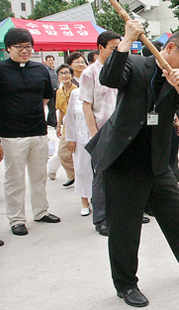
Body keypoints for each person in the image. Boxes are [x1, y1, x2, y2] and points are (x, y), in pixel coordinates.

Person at [85, 21, 179, 307]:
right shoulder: (137, 64)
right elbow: (110, 78)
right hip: (125, 161)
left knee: (177, 216)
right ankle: (125, 284)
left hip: (158, 160)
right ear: (171, 47)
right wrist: (126, 40)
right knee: (125, 229)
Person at [0, 27, 61, 236]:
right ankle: (16, 219)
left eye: (28, 47)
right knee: (15, 179)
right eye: (19, 47)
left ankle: (41, 211)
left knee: (39, 176)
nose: (25, 51)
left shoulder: (40, 70)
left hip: (38, 131)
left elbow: (45, 98)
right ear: (8, 48)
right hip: (11, 134)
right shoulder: (0, 70)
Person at [81, 31, 121, 236]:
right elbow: (87, 107)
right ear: (100, 48)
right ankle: (101, 219)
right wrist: (94, 135)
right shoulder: (89, 73)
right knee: (102, 177)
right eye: (113, 48)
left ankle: (126, 214)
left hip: (122, 130)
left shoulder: (122, 70)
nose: (116, 53)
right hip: (102, 131)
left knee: (125, 175)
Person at [64, 86, 93, 216]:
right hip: (80, 138)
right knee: (82, 170)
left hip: (99, 138)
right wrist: (70, 138)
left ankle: (99, 199)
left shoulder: (105, 89)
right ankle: (84, 202)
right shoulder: (76, 93)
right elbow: (69, 118)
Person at [54, 64, 78, 188]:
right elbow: (61, 110)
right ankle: (73, 175)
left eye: (67, 73)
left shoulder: (77, 90)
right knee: (62, 153)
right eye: (61, 73)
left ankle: (79, 176)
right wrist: (58, 125)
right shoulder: (59, 92)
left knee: (78, 154)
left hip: (78, 126)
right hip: (66, 128)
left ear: (72, 75)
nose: (64, 76)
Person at [44, 54, 58, 127]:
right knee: (51, 107)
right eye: (48, 60)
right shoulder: (45, 70)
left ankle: (49, 120)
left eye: (51, 60)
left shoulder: (56, 69)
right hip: (49, 89)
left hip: (56, 89)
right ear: (46, 61)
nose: (50, 61)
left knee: (55, 106)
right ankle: (54, 122)